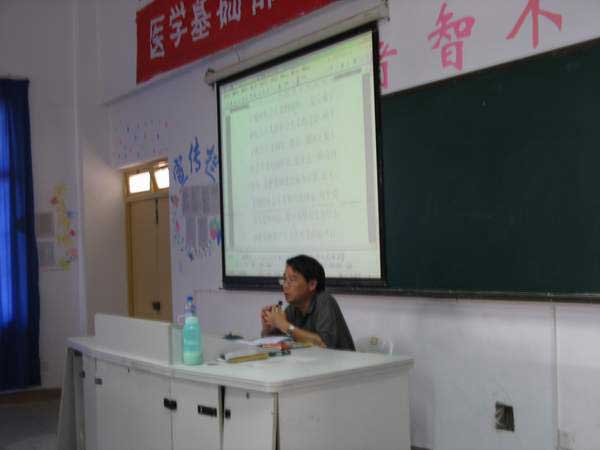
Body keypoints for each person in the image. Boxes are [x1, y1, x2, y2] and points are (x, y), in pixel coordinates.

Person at [261, 254, 355, 351]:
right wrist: (268, 329)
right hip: (311, 360)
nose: (285, 285)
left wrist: (284, 325)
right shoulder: (293, 307)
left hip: (340, 360)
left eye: (292, 280)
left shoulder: (324, 301)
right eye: (284, 279)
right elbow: (277, 343)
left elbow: (324, 344)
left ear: (312, 284)